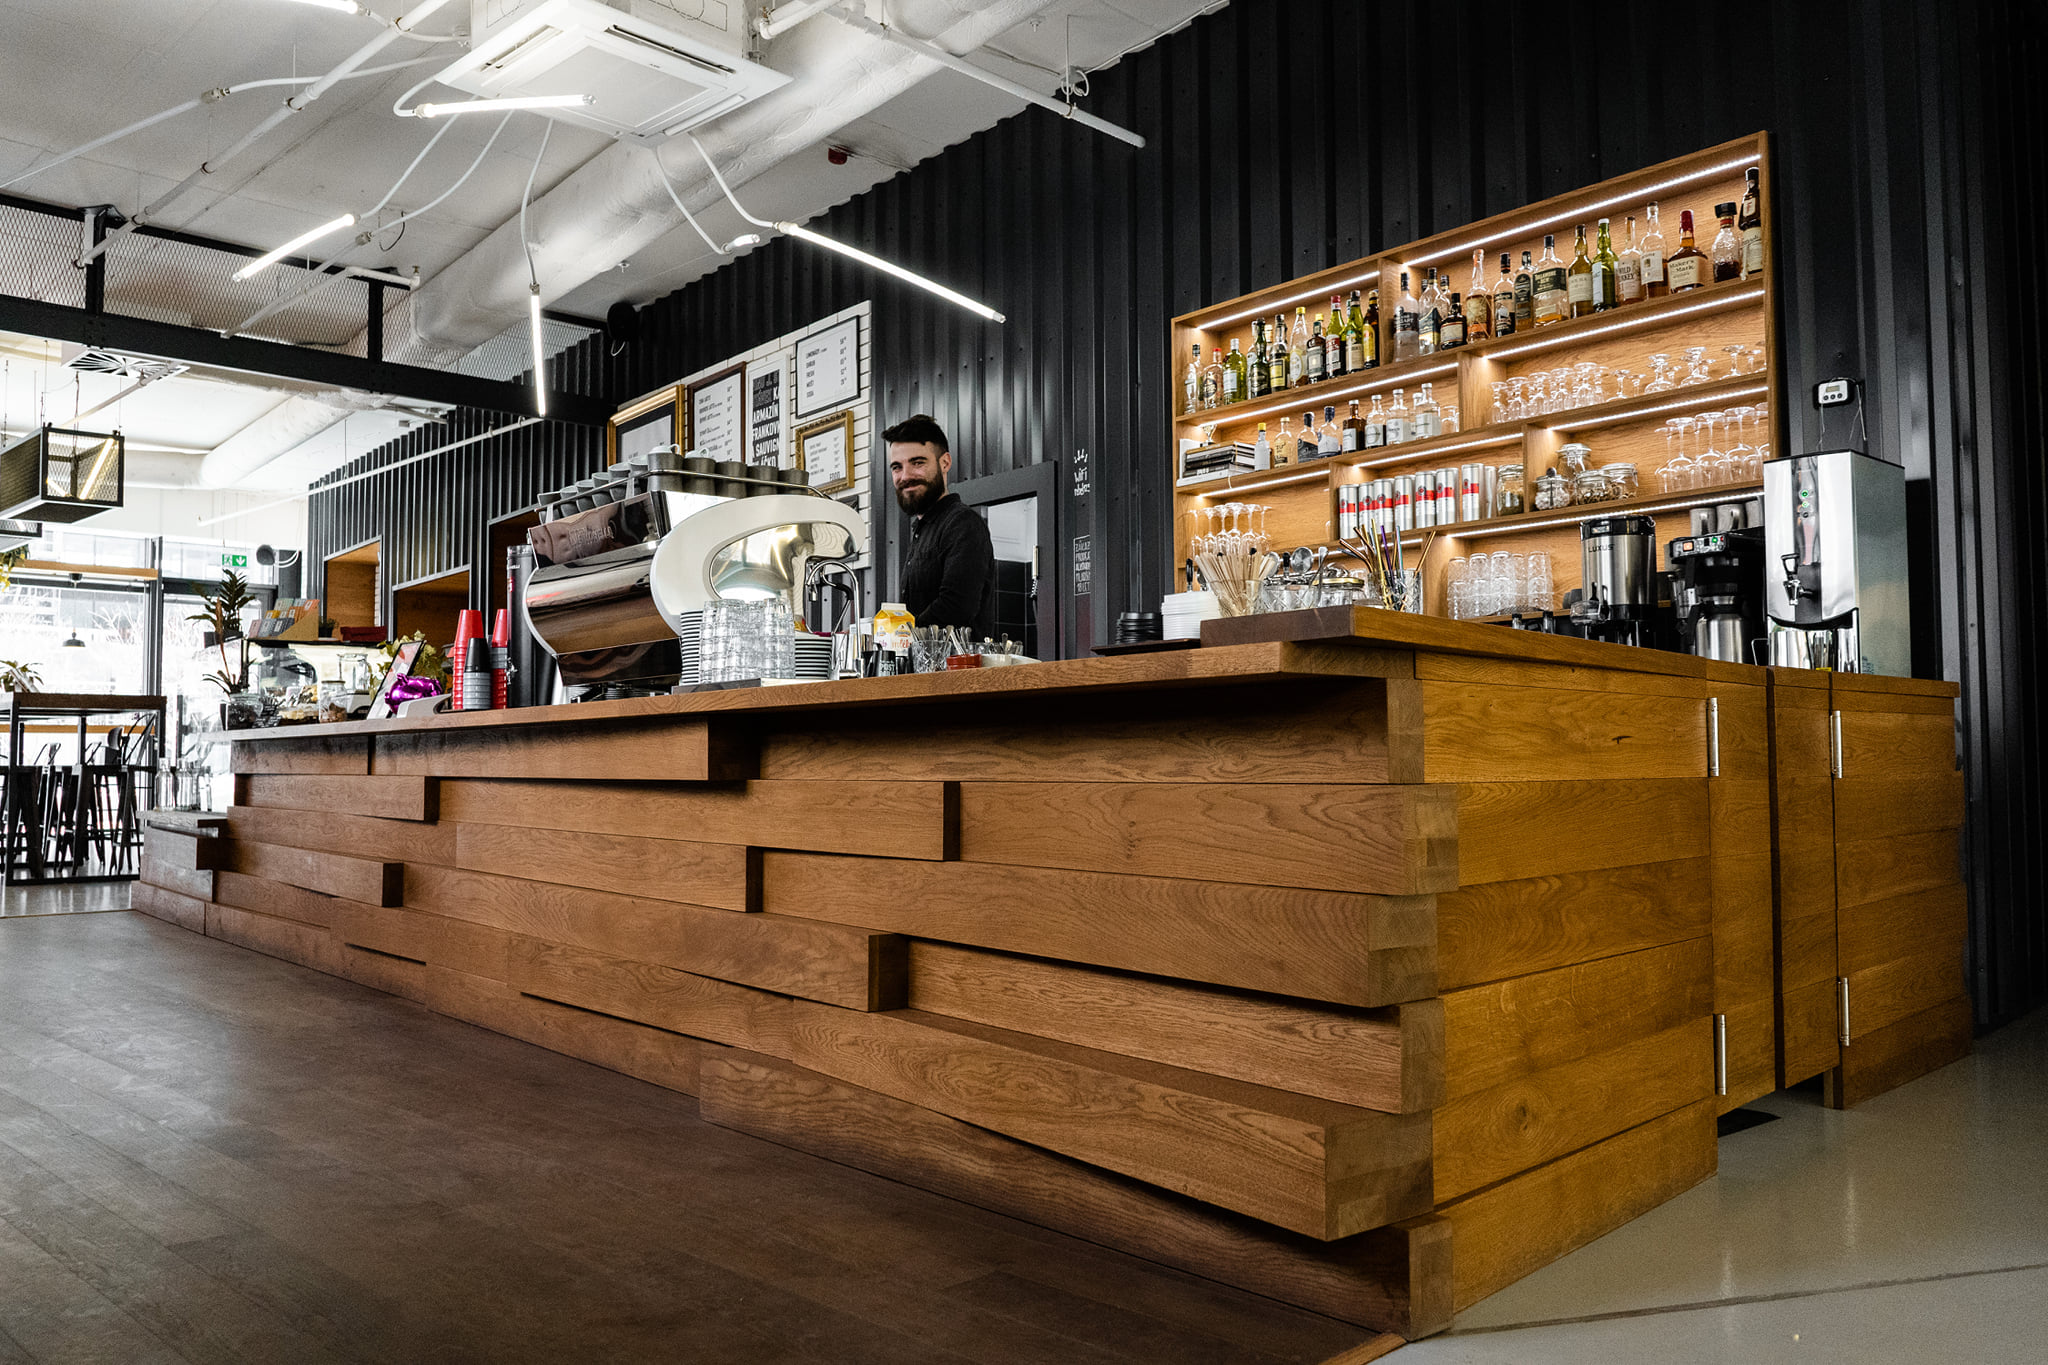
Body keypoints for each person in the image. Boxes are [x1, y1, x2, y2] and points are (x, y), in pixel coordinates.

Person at [885, 413, 995, 634]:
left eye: (917, 463)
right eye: (897, 467)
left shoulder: (962, 523)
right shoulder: (923, 529)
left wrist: (896, 634)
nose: (905, 476)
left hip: (957, 657)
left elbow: (956, 608)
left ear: (945, 463)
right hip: (924, 656)